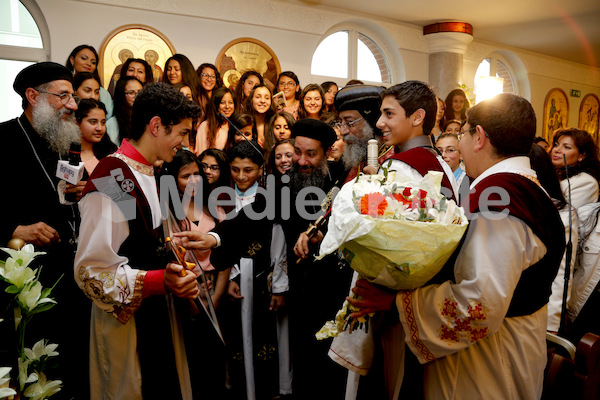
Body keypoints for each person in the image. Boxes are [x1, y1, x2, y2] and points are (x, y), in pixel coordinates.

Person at [347, 93, 565, 399]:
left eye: (462, 134)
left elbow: (478, 304)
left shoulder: (499, 196)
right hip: (511, 345)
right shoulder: (530, 186)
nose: (459, 145)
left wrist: (396, 303)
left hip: (486, 364)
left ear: (479, 138)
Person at [75, 82, 201, 400]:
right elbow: (91, 272)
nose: (186, 143)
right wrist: (161, 280)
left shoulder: (145, 172)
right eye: (183, 133)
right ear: (156, 125)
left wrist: (173, 256)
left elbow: (139, 244)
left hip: (155, 316)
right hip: (126, 326)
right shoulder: (111, 177)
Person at [1, 61, 89, 399]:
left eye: (73, 96)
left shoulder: (66, 142)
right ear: (33, 96)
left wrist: (84, 195)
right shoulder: (4, 138)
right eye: (63, 95)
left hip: (69, 276)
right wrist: (16, 227)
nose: (72, 104)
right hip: (22, 280)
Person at [334, 84, 394, 183]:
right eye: (341, 122)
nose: (342, 131)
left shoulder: (395, 162)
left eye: (349, 123)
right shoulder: (346, 160)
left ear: (372, 122)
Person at [550, 127, 600, 209]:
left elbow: (567, 217)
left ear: (581, 155)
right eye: (556, 145)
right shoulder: (551, 173)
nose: (557, 150)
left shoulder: (586, 182)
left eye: (566, 147)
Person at [66, 44, 114, 118]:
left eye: (93, 62)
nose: (88, 64)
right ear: (72, 60)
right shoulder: (63, 85)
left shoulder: (103, 94)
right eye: (84, 58)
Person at [75, 98, 117, 175]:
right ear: (77, 122)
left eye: (103, 123)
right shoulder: (65, 155)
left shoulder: (113, 152)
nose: (99, 128)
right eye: (93, 122)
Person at [195, 87, 236, 154]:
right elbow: (201, 154)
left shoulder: (236, 125)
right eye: (222, 103)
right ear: (216, 105)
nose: (227, 106)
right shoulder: (206, 126)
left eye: (230, 102)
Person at [106, 76, 143, 145]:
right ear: (121, 95)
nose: (137, 96)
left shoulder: (147, 118)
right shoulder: (113, 123)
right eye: (131, 93)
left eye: (140, 92)